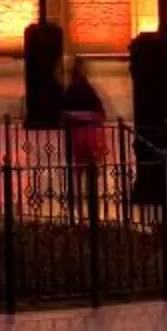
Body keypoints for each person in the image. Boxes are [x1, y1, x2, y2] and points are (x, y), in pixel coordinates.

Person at [62, 60, 110, 215]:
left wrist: (76, 118)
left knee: (78, 172)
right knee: (90, 171)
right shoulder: (88, 90)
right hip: (90, 135)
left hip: (78, 136)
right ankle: (91, 207)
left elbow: (64, 114)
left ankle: (78, 208)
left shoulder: (72, 90)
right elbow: (100, 113)